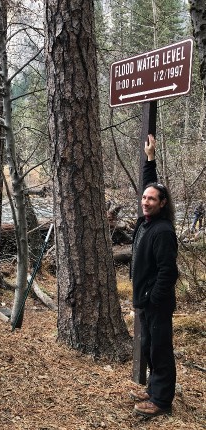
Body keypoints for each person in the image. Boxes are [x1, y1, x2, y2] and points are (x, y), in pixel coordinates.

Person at [130, 134, 178, 418]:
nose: (146, 202)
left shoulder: (163, 232)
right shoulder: (147, 222)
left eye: (152, 199)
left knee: (160, 350)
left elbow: (168, 272)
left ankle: (161, 401)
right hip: (146, 300)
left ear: (162, 204)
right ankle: (153, 388)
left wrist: (152, 298)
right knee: (149, 345)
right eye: (144, 198)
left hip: (155, 302)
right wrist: (150, 158)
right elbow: (149, 184)